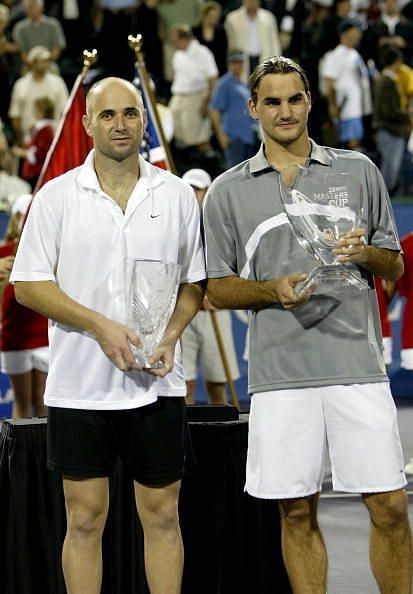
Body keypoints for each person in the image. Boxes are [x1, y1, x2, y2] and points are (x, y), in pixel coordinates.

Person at [203, 55, 412, 593]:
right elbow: (217, 287)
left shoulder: (359, 169)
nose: (285, 110)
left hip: (356, 365)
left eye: (294, 98)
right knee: (295, 513)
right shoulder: (227, 191)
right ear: (252, 108)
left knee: (389, 505)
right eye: (271, 101)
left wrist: (366, 252)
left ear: (310, 102)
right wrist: (269, 290)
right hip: (279, 374)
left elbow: (395, 263)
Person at [10, 76, 205, 594]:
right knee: (83, 519)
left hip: (159, 384)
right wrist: (98, 325)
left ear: (144, 119)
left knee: (163, 517)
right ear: (87, 123)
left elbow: (194, 283)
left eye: (131, 114)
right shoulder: (55, 197)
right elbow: (27, 285)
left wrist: (171, 335)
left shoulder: (178, 193)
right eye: (108, 115)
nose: (121, 124)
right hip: (79, 385)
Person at [181, 167, 239, 405]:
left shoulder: (220, 221)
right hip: (183, 311)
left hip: (215, 309)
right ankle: (185, 439)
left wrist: (216, 292)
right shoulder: (174, 220)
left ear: (207, 191)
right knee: (184, 384)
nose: (193, 194)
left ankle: (226, 436)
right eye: (189, 189)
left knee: (218, 382)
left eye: (198, 189)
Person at [0, 192, 48, 418]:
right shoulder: (3, 253)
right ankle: (20, 455)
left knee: (42, 402)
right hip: (14, 337)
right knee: (22, 404)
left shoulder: (48, 250)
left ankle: (46, 454)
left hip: (44, 336)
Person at [169, 24, 218, 156]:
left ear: (184, 39)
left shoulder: (202, 52)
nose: (173, 43)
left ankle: (208, 160)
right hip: (178, 95)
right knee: (178, 133)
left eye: (175, 40)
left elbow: (213, 78)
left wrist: (206, 102)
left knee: (199, 136)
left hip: (196, 96)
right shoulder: (177, 54)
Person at [323, 17, 372, 150]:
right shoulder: (337, 55)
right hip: (346, 108)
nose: (360, 34)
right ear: (347, 32)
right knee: (350, 146)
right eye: (357, 30)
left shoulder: (353, 53)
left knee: (356, 143)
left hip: (356, 107)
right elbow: (329, 82)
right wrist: (332, 105)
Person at [8, 45, 68, 146]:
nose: (43, 64)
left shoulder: (58, 83)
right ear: (32, 63)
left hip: (54, 140)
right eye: (40, 60)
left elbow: (65, 112)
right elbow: (15, 115)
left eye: (46, 60)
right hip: (29, 140)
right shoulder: (20, 85)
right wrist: (21, 141)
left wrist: (63, 138)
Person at [373, 45, 411, 196]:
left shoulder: (382, 79)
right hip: (390, 130)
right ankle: (378, 202)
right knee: (390, 171)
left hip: (387, 130)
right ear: (397, 62)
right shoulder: (388, 81)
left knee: (391, 169)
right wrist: (407, 114)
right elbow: (389, 111)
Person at [210, 49, 257, 169]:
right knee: (234, 174)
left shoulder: (243, 84)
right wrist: (221, 135)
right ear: (229, 64)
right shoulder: (224, 83)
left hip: (247, 136)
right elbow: (214, 109)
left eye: (240, 62)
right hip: (233, 137)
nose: (238, 65)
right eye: (234, 62)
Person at [12, 95, 55, 189]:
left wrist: (21, 153)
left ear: (41, 112)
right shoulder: (41, 129)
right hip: (34, 174)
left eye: (35, 109)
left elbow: (39, 154)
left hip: (36, 174)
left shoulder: (46, 130)